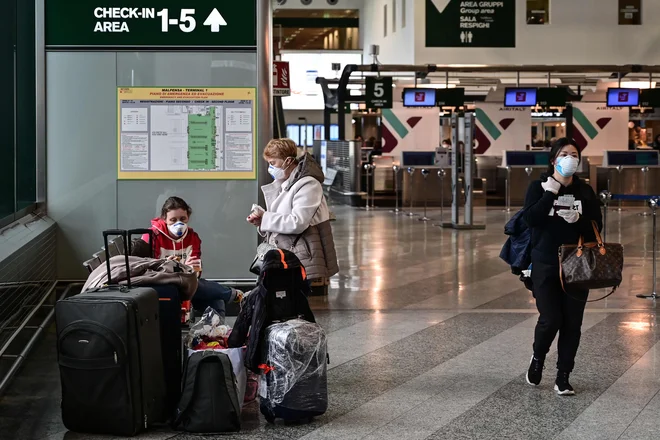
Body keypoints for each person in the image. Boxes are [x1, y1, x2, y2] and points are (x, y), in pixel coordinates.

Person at [522, 138, 602, 396]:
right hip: (545, 262)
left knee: (572, 323)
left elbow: (596, 228)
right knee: (550, 318)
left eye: (574, 154)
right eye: (565, 154)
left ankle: (563, 376)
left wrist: (578, 219)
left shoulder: (585, 191)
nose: (570, 158)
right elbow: (531, 219)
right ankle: (538, 357)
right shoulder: (538, 187)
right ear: (554, 159)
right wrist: (551, 192)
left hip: (576, 264)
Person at [131, 196, 243, 319]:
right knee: (198, 286)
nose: (178, 224)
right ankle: (233, 295)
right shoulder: (151, 236)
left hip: (187, 284)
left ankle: (216, 333)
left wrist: (194, 268)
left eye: (182, 219)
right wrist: (166, 265)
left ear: (188, 217)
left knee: (215, 300)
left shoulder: (193, 237)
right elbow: (145, 268)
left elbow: (196, 273)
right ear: (164, 219)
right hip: (162, 284)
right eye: (173, 220)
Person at [246, 138, 338, 281]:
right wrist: (261, 220)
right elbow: (281, 216)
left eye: (273, 163)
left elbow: (298, 222)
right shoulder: (286, 183)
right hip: (290, 252)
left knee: (295, 300)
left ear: (288, 161)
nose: (270, 168)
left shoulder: (308, 184)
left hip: (303, 255)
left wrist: (266, 217)